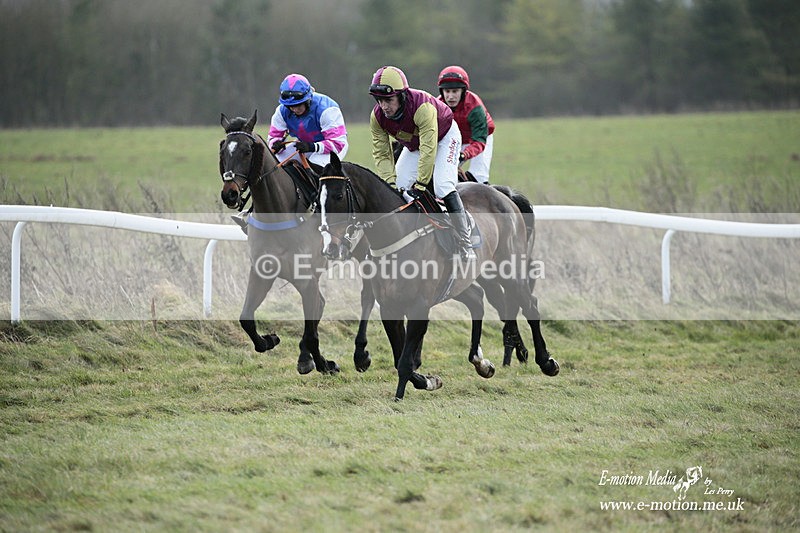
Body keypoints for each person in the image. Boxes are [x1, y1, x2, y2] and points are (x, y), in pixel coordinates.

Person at [368, 65, 475, 261]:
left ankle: (465, 240)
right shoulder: (377, 117)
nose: (384, 107)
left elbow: (429, 149)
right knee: (398, 188)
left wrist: (420, 185)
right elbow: (382, 155)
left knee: (443, 186)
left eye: (389, 100)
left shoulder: (422, 108)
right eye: (380, 101)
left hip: (444, 137)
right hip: (416, 144)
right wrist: (389, 184)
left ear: (401, 95)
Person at [267, 73, 348, 167]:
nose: (294, 109)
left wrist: (312, 147)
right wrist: (276, 144)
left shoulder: (327, 110)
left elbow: (337, 144)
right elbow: (273, 138)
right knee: (275, 162)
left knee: (315, 164)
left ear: (308, 99)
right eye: (290, 106)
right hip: (304, 145)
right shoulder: (281, 111)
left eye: (298, 105)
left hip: (334, 147)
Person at [437, 65, 495, 185]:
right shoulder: (438, 106)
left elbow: (479, 140)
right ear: (441, 92)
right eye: (447, 91)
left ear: (463, 91)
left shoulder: (475, 107)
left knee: (479, 176)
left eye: (455, 91)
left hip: (480, 138)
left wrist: (464, 154)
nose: (451, 96)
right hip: (455, 139)